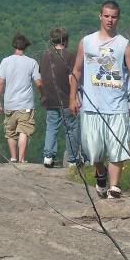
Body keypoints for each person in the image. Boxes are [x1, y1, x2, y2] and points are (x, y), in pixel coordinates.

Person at [70, 0, 130, 199]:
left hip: (117, 105)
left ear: (118, 18)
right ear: (100, 16)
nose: (110, 20)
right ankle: (101, 173)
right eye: (106, 16)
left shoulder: (123, 45)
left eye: (113, 17)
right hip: (91, 106)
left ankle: (114, 187)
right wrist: (72, 97)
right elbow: (77, 71)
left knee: (117, 148)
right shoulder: (87, 42)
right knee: (94, 151)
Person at [0, 32, 42, 163]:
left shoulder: (5, 61)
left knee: (10, 132)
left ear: (14, 46)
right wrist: (43, 94)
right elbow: (38, 83)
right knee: (24, 131)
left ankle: (13, 157)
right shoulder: (32, 63)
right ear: (26, 47)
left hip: (9, 103)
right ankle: (22, 159)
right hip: (26, 104)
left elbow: (0, 82)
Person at [39, 26, 81, 168]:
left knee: (51, 127)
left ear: (52, 40)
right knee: (71, 127)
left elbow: (42, 76)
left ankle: (48, 156)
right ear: (66, 40)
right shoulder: (69, 56)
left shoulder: (45, 55)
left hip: (50, 98)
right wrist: (74, 97)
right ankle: (73, 159)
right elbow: (71, 78)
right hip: (65, 98)